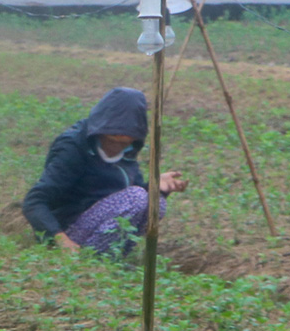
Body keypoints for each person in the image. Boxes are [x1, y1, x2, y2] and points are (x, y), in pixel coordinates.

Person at [20, 87, 186, 256]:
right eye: (112, 141)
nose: (116, 148)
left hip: (99, 222)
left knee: (156, 203)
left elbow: (126, 197)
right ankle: (91, 259)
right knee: (137, 197)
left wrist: (156, 185)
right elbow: (34, 202)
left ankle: (110, 258)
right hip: (68, 227)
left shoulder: (128, 150)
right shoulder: (73, 147)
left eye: (124, 143)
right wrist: (62, 241)